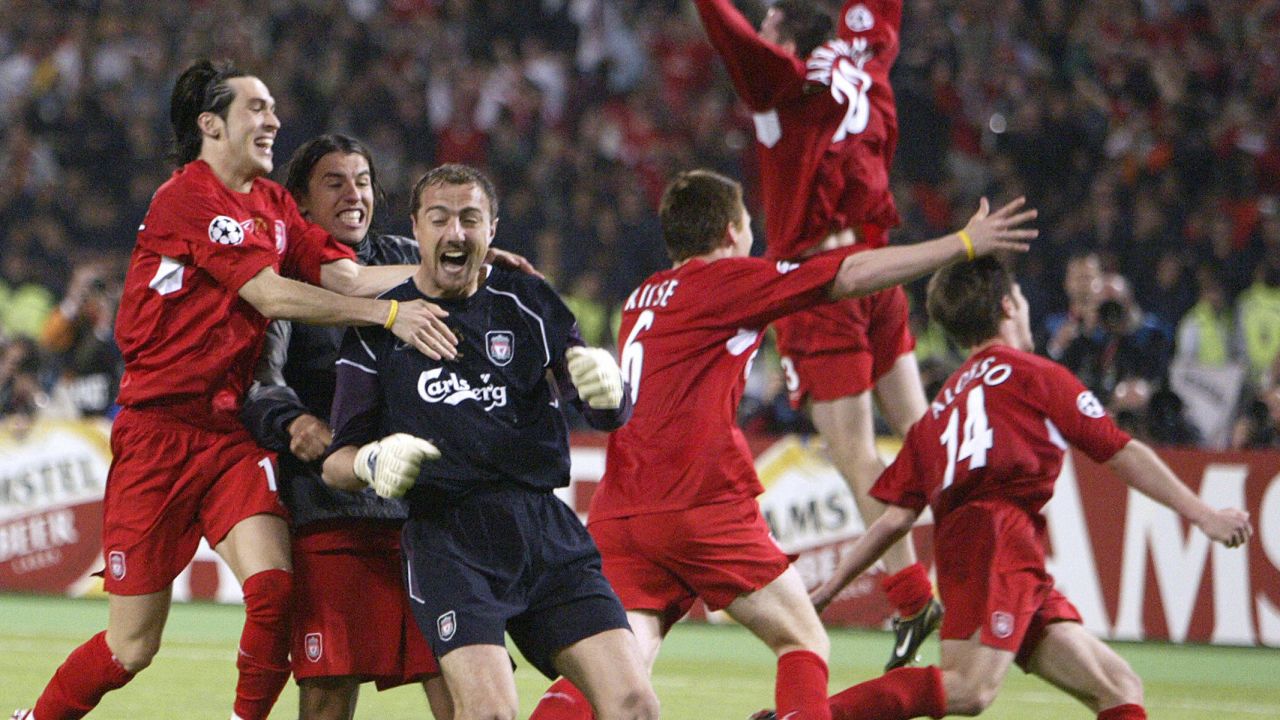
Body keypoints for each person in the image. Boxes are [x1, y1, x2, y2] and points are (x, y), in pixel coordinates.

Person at [12, 60, 459, 720]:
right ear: (210, 124)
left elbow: (347, 277)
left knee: (275, 589)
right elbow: (270, 293)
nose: (274, 119)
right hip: (156, 435)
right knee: (131, 647)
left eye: (273, 107)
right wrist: (392, 315)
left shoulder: (274, 205)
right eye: (258, 108)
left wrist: (458, 270)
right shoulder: (186, 198)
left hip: (226, 434)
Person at [530, 170, 1036, 720]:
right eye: (748, 223)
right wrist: (962, 244)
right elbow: (850, 273)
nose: (753, 236)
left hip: (623, 508)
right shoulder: (724, 280)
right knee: (803, 640)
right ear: (730, 231)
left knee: (617, 673)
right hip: (697, 501)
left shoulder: (641, 299)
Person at [807, 256, 1253, 720]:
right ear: (1006, 306)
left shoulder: (939, 409)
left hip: (981, 549)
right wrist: (1204, 515)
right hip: (999, 540)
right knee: (969, 689)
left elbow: (894, 518)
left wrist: (830, 587)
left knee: (1118, 686)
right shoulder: (1031, 374)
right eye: (1019, 297)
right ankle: (807, 717)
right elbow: (1121, 451)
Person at [320, 163, 660, 720]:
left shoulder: (528, 301)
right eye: (441, 219)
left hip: (544, 532)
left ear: (492, 229)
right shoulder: (382, 326)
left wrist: (611, 391)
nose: (456, 233)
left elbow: (601, 410)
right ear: (417, 229)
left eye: (470, 219)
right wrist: (371, 461)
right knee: (489, 715)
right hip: (448, 539)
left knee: (636, 705)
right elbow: (337, 461)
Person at [693, 0, 941, 667]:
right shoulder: (865, 66)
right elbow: (881, 18)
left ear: (785, 37)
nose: (764, 27)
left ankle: (914, 598)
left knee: (857, 453)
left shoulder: (786, 84)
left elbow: (732, 38)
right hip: (878, 268)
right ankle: (990, 551)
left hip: (822, 283)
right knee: (923, 434)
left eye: (770, 21)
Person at [240, 134, 451, 720]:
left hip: (425, 510)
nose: (354, 194)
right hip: (331, 506)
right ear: (300, 206)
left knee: (465, 682)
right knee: (330, 691)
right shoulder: (283, 275)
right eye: (334, 183)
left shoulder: (409, 258)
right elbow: (257, 381)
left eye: (362, 181)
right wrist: (293, 421)